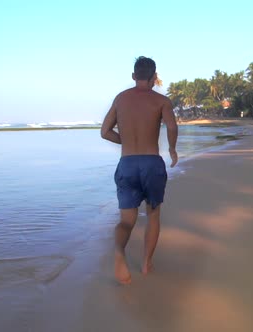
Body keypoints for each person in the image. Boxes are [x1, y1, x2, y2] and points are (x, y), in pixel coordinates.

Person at [100, 56, 179, 285]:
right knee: (153, 214)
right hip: (151, 164)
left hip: (127, 164)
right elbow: (172, 126)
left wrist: (125, 141)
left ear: (134, 76)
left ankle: (118, 253)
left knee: (126, 220)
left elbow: (105, 132)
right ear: (154, 78)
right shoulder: (162, 101)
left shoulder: (120, 99)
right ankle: (146, 264)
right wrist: (172, 149)